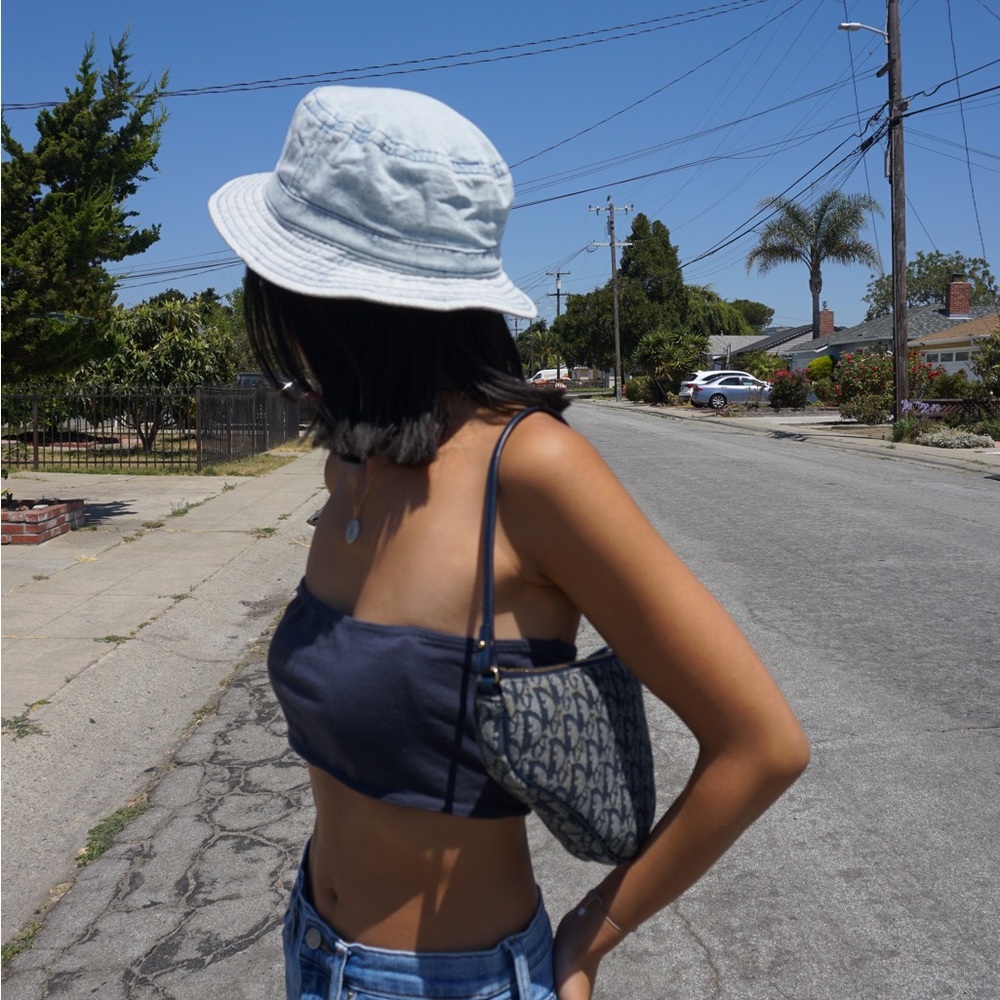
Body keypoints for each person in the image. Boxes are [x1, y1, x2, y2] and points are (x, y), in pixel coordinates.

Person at [210, 85, 809, 1000]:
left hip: (455, 982)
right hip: (312, 946)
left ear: (344, 300)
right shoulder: (354, 460)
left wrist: (593, 933)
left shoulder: (530, 470)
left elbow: (762, 744)